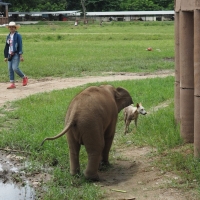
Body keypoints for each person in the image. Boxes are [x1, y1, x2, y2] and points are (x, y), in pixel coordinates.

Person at [4, 21, 28, 89]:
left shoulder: (18, 35)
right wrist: (6, 56)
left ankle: (24, 77)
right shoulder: (8, 36)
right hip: (9, 55)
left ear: (15, 28)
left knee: (15, 68)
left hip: (16, 54)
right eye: (10, 27)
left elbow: (20, 45)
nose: (11, 28)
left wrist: (21, 55)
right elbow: (7, 46)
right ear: (9, 28)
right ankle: (12, 83)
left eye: (13, 27)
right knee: (10, 69)